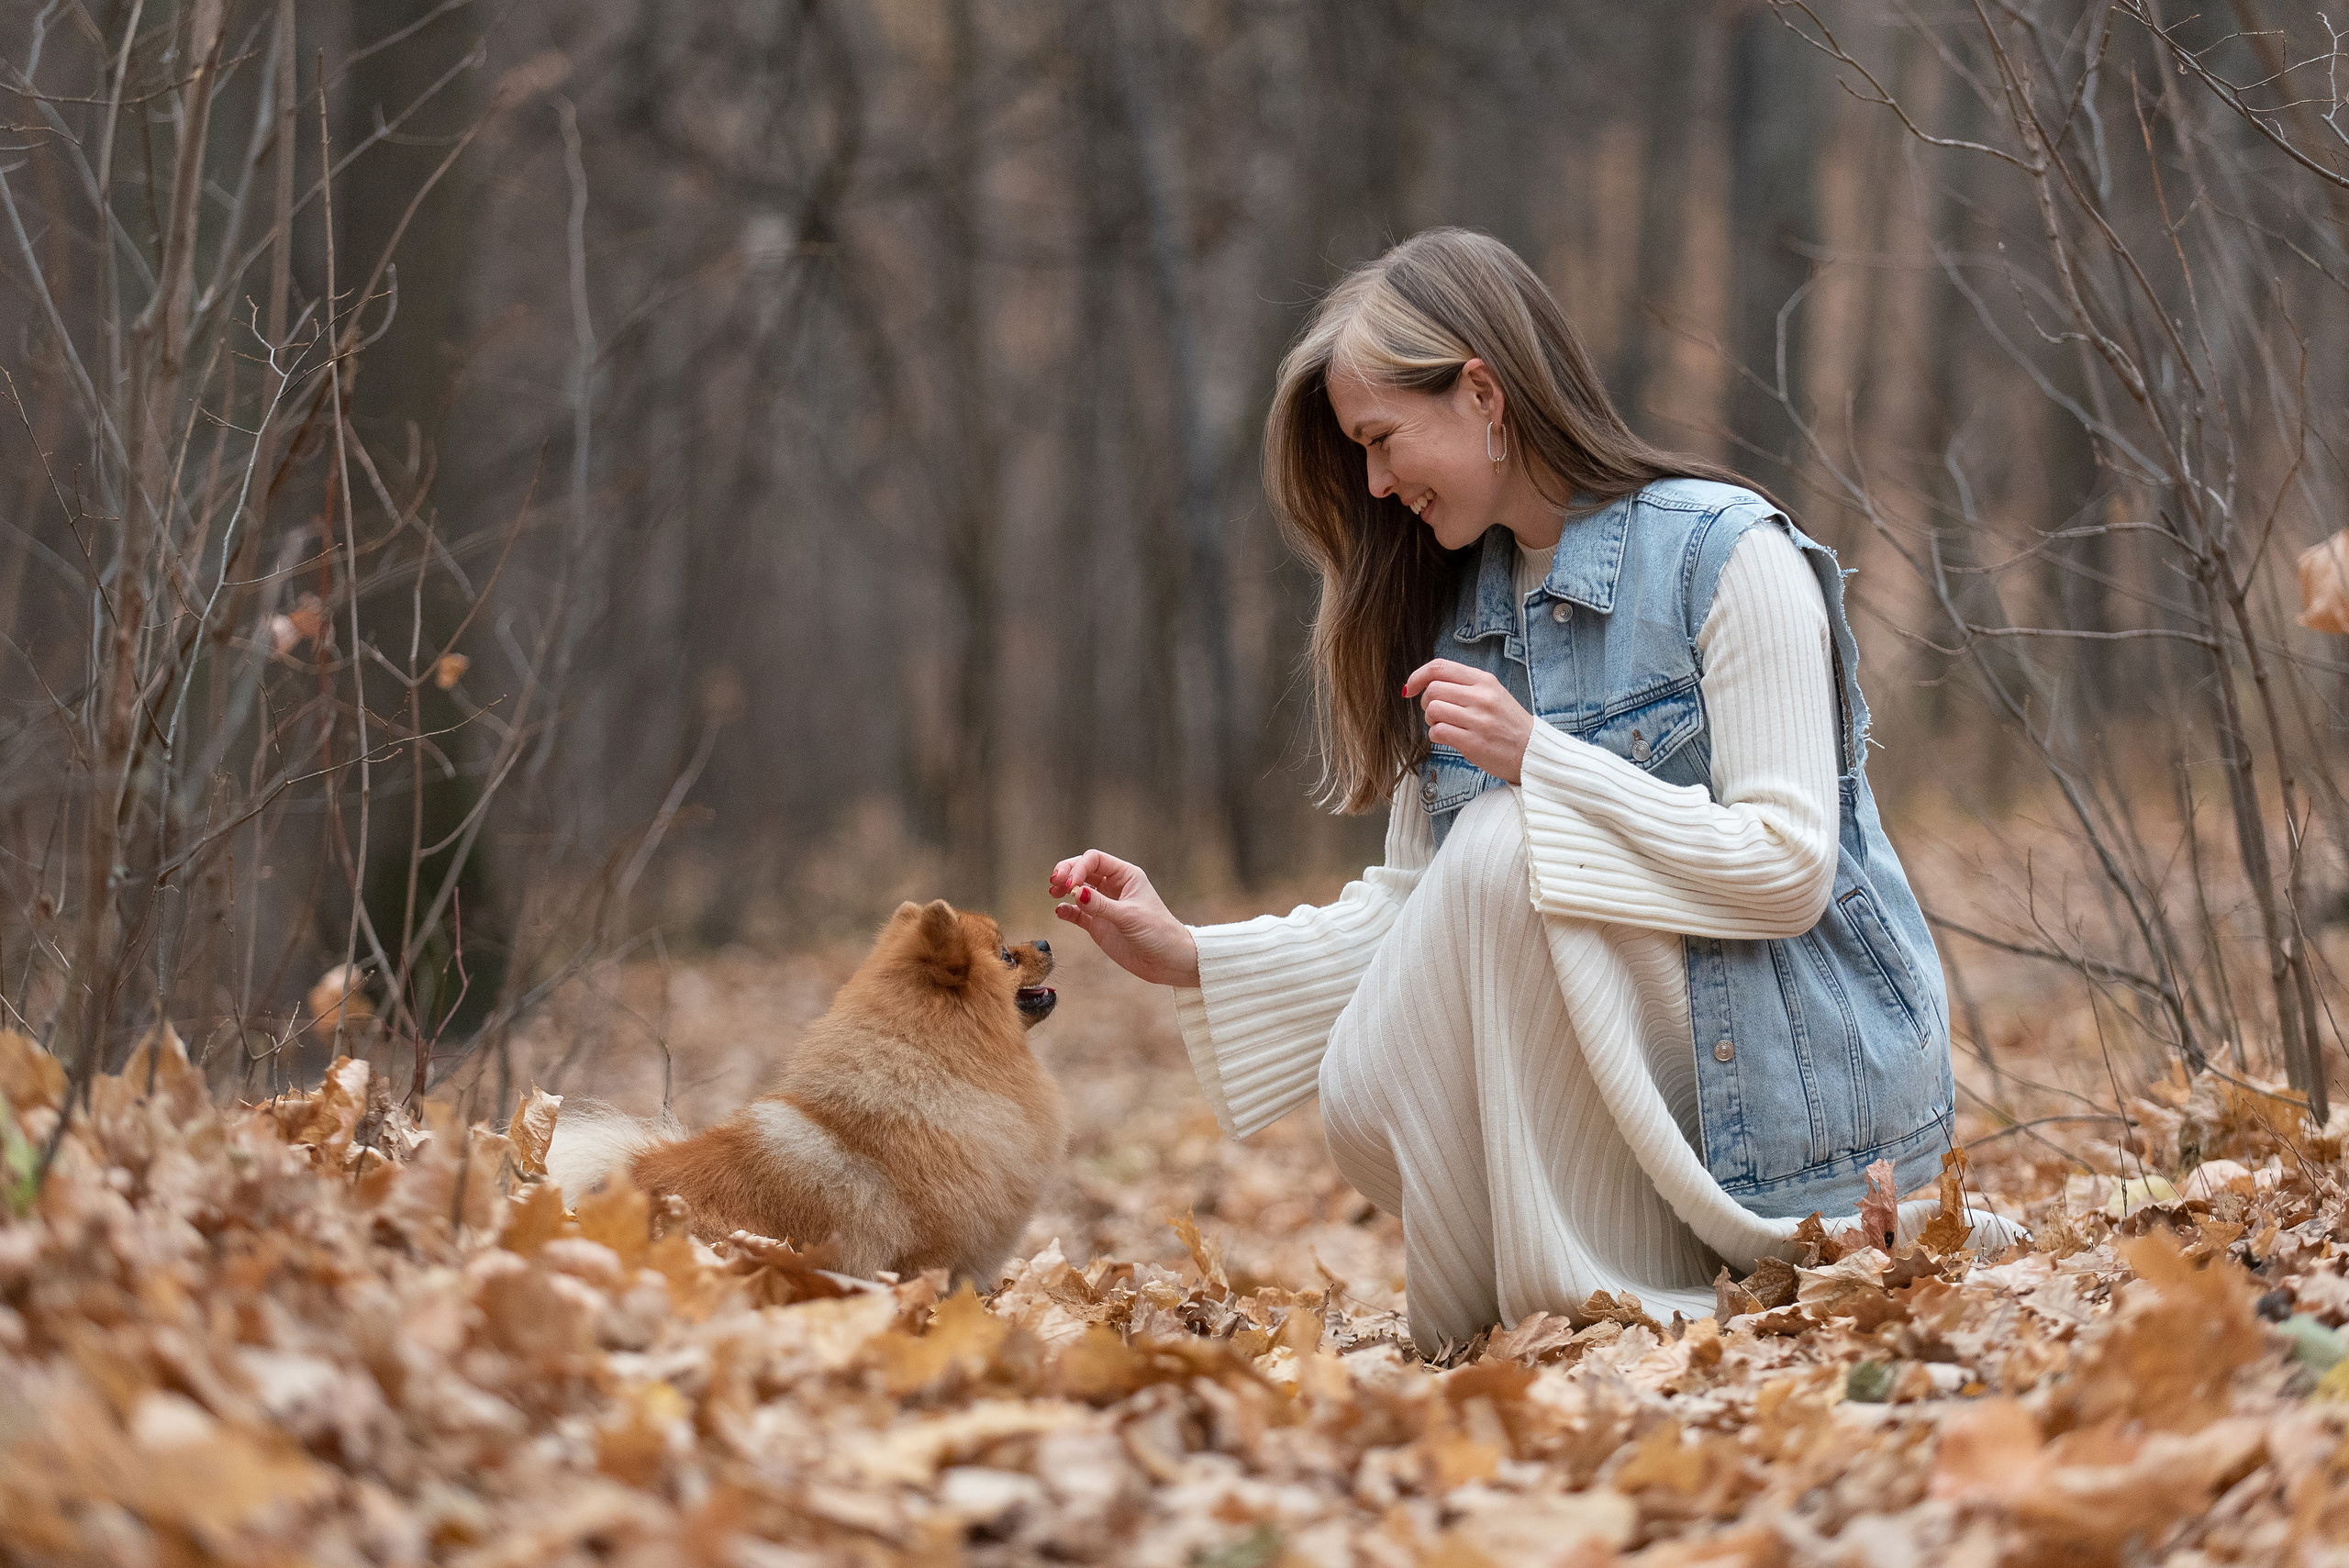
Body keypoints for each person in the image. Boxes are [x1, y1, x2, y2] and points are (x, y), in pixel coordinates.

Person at [1050, 228, 2009, 1353]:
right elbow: (1431, 911)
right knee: (1427, 969)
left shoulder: (1725, 555)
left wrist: (1539, 762)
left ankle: (1570, 1307)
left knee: (1508, 835)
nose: (1372, 482)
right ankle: (1562, 1304)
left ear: (1482, 394)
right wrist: (1193, 954)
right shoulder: (1467, 619)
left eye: (1380, 438)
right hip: (1646, 1089)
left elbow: (1786, 872)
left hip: (1799, 1105)